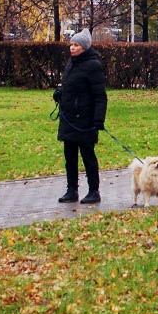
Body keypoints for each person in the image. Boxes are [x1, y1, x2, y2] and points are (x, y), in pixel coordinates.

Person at [54, 30, 108, 204]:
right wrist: (60, 93)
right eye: (71, 44)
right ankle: (72, 190)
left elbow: (100, 95)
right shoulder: (71, 63)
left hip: (85, 119)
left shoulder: (93, 65)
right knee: (69, 155)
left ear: (84, 47)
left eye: (76, 45)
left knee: (88, 155)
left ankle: (94, 190)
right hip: (69, 117)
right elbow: (70, 86)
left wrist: (98, 119)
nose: (72, 47)